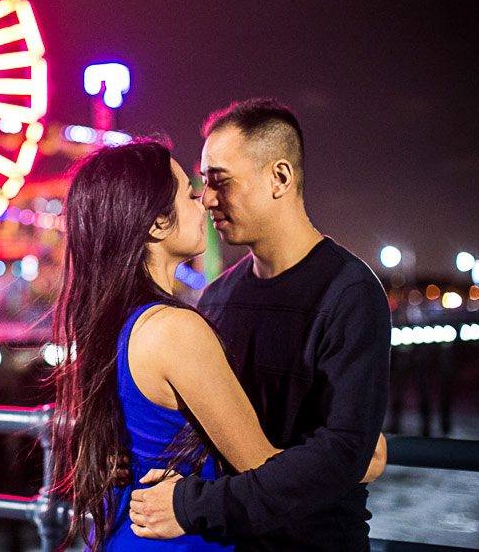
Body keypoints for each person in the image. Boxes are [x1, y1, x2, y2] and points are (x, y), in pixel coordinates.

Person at [49, 140, 384, 552]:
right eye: (189, 194)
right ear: (155, 223)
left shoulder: (116, 321)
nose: (204, 203)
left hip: (122, 533)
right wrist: (353, 462)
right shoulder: (175, 329)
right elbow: (261, 469)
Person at [128, 98, 392, 551]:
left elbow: (341, 454)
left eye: (219, 181)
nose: (206, 198)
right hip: (234, 542)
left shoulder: (350, 293)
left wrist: (195, 506)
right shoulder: (218, 297)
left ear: (280, 178)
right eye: (202, 182)